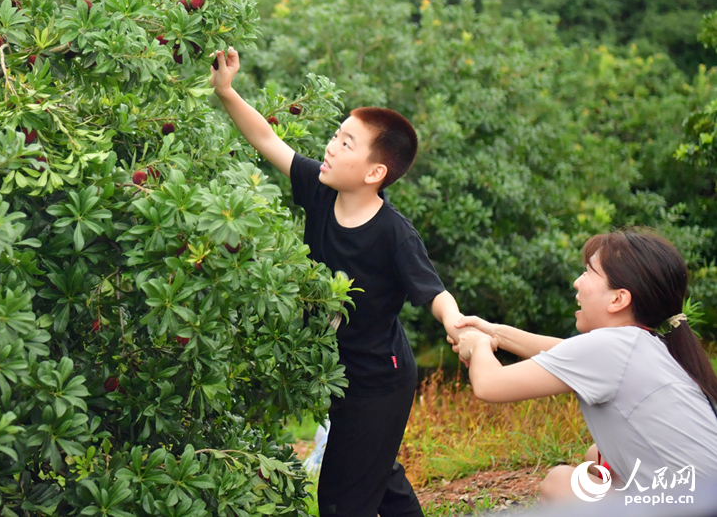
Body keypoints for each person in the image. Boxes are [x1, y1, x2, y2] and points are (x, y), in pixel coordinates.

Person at [211, 47, 466, 517]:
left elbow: (433, 291)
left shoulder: (394, 234)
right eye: (336, 136)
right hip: (336, 370)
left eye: (346, 143)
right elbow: (267, 139)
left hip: (378, 381)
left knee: (342, 499)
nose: (330, 146)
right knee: (378, 475)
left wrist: (455, 323)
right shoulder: (320, 190)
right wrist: (227, 91)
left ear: (375, 172)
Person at [451, 230, 717, 503]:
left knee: (560, 483)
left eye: (589, 273)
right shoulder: (646, 343)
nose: (577, 283)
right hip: (704, 494)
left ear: (618, 299)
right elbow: (564, 354)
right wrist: (495, 333)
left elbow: (490, 384)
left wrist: (478, 345)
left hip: (692, 504)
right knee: (596, 456)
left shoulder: (611, 348)